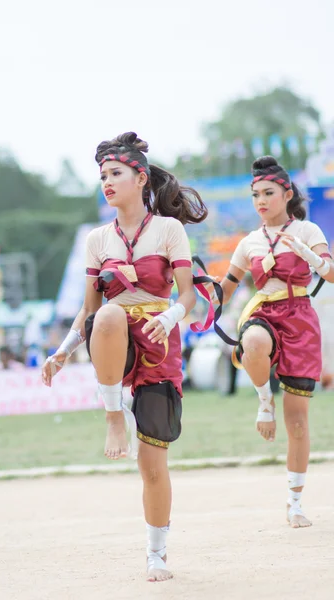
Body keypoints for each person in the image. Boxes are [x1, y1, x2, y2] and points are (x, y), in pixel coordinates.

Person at [42, 131, 208, 582]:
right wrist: (61, 352)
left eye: (116, 173)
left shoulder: (169, 230)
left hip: (160, 341)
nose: (107, 182)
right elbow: (90, 311)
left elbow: (189, 296)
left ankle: (157, 552)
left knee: (152, 465)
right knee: (112, 316)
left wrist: (171, 316)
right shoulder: (97, 239)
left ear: (140, 178)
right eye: (102, 176)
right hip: (113, 338)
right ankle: (114, 414)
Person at [211, 156, 334, 528]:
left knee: (297, 422)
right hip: (264, 312)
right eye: (255, 195)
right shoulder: (248, 242)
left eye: (268, 193)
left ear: (287, 193)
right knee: (253, 342)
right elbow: (227, 288)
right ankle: (264, 402)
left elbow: (330, 275)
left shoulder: (309, 230)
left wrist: (309, 254)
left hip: (301, 319)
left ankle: (294, 503)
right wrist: (200, 295)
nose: (261, 201)